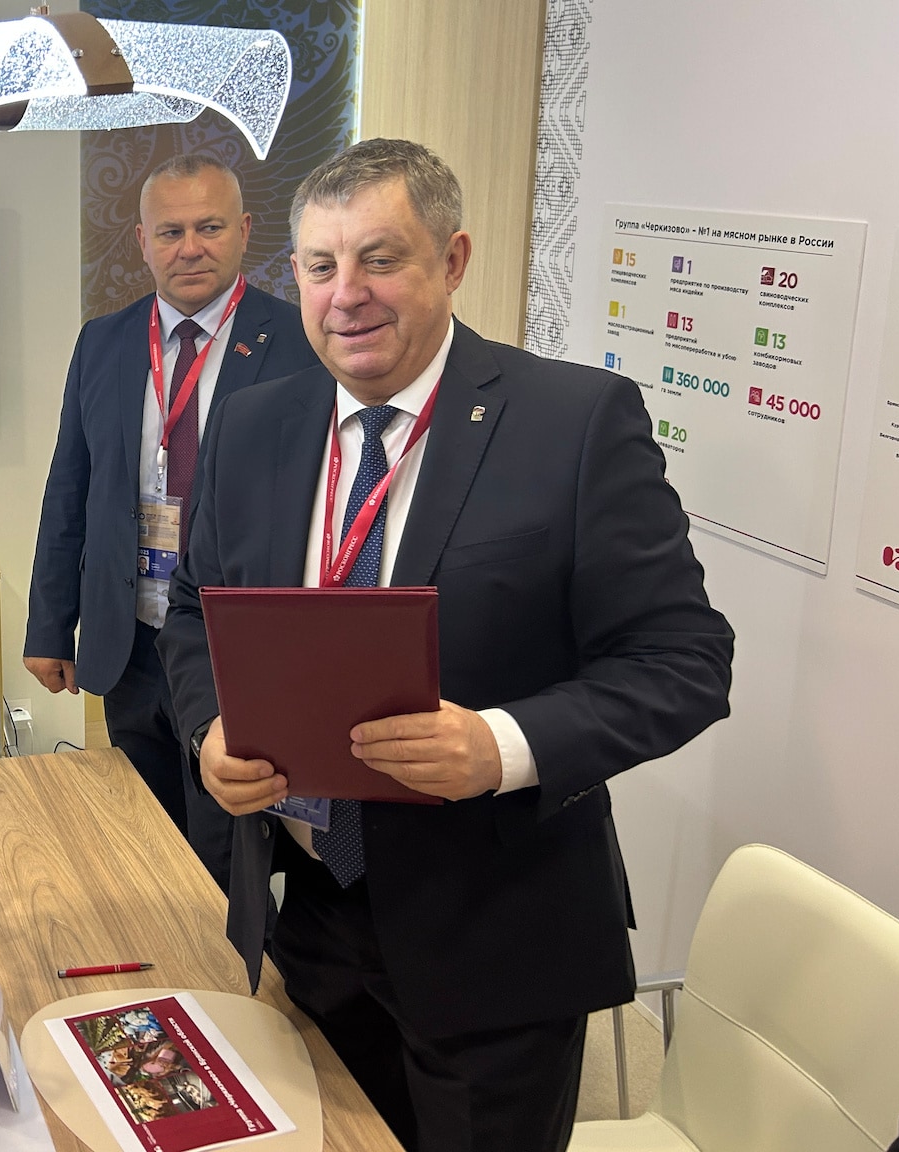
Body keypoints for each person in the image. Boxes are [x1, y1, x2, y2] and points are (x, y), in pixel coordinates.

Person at [158, 139, 734, 1150]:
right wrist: (210, 730)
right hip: (313, 915)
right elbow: (197, 609)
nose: (347, 295)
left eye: (380, 259)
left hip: (496, 938)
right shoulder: (253, 426)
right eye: (321, 266)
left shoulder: (574, 422)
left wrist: (499, 746)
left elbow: (684, 661)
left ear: (453, 259)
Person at [25, 155, 319, 887]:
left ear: (244, 230)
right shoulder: (103, 341)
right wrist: (49, 626)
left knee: (227, 850)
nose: (190, 248)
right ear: (142, 241)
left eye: (209, 227)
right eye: (171, 231)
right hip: (129, 640)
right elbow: (70, 488)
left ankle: (231, 957)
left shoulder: (301, 342)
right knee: (143, 835)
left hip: (233, 647)